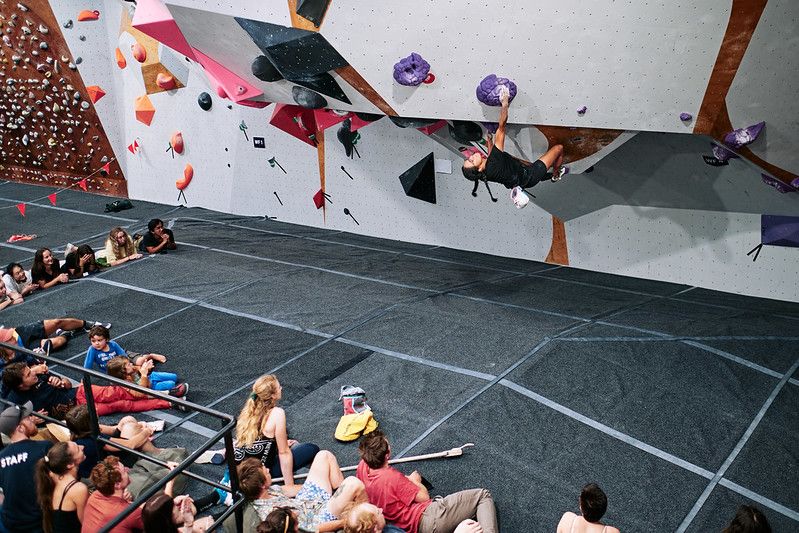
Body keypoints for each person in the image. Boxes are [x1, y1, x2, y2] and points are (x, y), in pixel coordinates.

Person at [355, 430, 498, 533]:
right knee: (482, 495)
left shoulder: (362, 466)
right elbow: (424, 497)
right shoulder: (392, 477)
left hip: (404, 524)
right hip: (426, 520)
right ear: (387, 455)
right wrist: (413, 480)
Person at [461, 87, 566, 208]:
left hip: (519, 175)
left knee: (524, 163)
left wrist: (490, 141)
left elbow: (491, 157)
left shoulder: (485, 173)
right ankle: (556, 174)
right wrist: (505, 103)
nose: (471, 156)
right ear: (478, 169)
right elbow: (502, 127)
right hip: (530, 175)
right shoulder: (493, 164)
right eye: (471, 161)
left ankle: (549, 175)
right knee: (559, 148)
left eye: (468, 159)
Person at [222, 452, 366, 533]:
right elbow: (314, 529)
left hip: (307, 501)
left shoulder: (269, 490)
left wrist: (317, 484)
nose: (268, 470)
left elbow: (293, 489)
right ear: (262, 485)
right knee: (354, 483)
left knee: (323, 456)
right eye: (265, 472)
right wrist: (343, 523)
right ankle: (368, 516)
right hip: (318, 517)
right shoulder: (273, 513)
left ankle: (343, 497)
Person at [0, 401, 52, 533]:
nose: (32, 420)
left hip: (9, 522)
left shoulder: (1, 457)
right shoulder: (44, 447)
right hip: (39, 523)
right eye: (28, 419)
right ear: (20, 428)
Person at [34, 441, 89, 533]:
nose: (83, 446)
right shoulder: (79, 489)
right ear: (70, 464)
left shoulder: (52, 477)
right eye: (78, 449)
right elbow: (87, 525)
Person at [81, 456, 144, 533]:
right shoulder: (128, 513)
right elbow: (155, 524)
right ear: (117, 484)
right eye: (124, 471)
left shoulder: (94, 495)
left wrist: (124, 501)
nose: (127, 471)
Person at [84, 324, 169, 378]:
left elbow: (124, 356)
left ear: (106, 339)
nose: (96, 343)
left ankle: (150, 355)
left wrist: (131, 367)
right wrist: (84, 380)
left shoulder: (112, 344)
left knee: (139, 362)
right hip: (114, 369)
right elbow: (87, 366)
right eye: (93, 341)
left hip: (125, 358)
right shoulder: (92, 350)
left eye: (99, 340)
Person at [107, 356, 187, 397]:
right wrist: (144, 374)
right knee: (171, 384)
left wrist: (147, 369)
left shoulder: (132, 369)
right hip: (151, 387)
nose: (131, 364)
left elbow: (139, 368)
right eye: (128, 364)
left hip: (151, 377)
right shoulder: (126, 383)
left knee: (174, 376)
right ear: (123, 371)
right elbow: (142, 391)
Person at [142, 492, 215, 533]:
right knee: (207, 525)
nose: (177, 505)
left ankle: (219, 496)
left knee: (204, 522)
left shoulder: (153, 524)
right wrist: (189, 523)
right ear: (169, 517)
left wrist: (188, 523)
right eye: (175, 506)